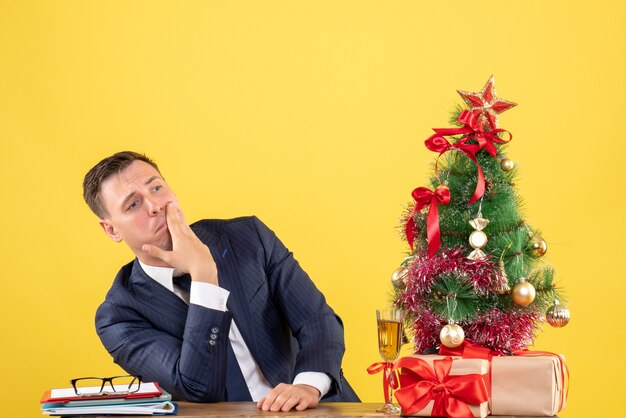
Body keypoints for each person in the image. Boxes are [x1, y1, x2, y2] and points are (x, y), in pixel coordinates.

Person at [83, 151, 359, 411]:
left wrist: (308, 386)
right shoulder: (119, 316)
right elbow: (197, 386)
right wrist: (204, 277)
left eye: (156, 188)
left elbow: (317, 319)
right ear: (111, 229)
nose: (155, 206)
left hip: (316, 407)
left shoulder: (249, 237)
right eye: (133, 204)